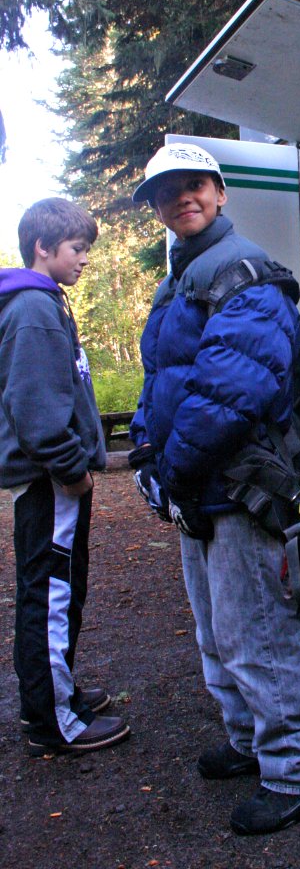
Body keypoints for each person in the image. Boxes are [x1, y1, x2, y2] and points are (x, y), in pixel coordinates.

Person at [129, 143, 300, 834]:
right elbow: (164, 378)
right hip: (200, 486)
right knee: (218, 629)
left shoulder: (246, 271)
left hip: (237, 486)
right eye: (166, 192)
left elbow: (233, 390)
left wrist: (174, 467)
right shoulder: (182, 276)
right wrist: (143, 444)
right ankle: (253, 740)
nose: (181, 198)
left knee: (257, 632)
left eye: (194, 185)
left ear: (219, 192)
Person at [0, 198, 130, 755]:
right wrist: (72, 471)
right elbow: (35, 406)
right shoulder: (32, 308)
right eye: (78, 250)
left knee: (60, 589)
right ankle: (53, 721)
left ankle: (58, 691)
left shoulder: (45, 303)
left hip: (54, 480)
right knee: (49, 595)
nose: (84, 261)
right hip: (50, 481)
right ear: (43, 249)